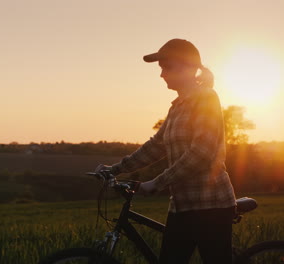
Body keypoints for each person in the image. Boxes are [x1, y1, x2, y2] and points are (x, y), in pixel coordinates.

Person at [95, 38, 237, 264]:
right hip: (181, 206)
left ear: (189, 67)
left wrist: (157, 182)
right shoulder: (178, 105)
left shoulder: (207, 98)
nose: (162, 74)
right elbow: (155, 147)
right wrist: (116, 169)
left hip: (211, 206)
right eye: (161, 68)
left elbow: (201, 152)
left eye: (167, 67)